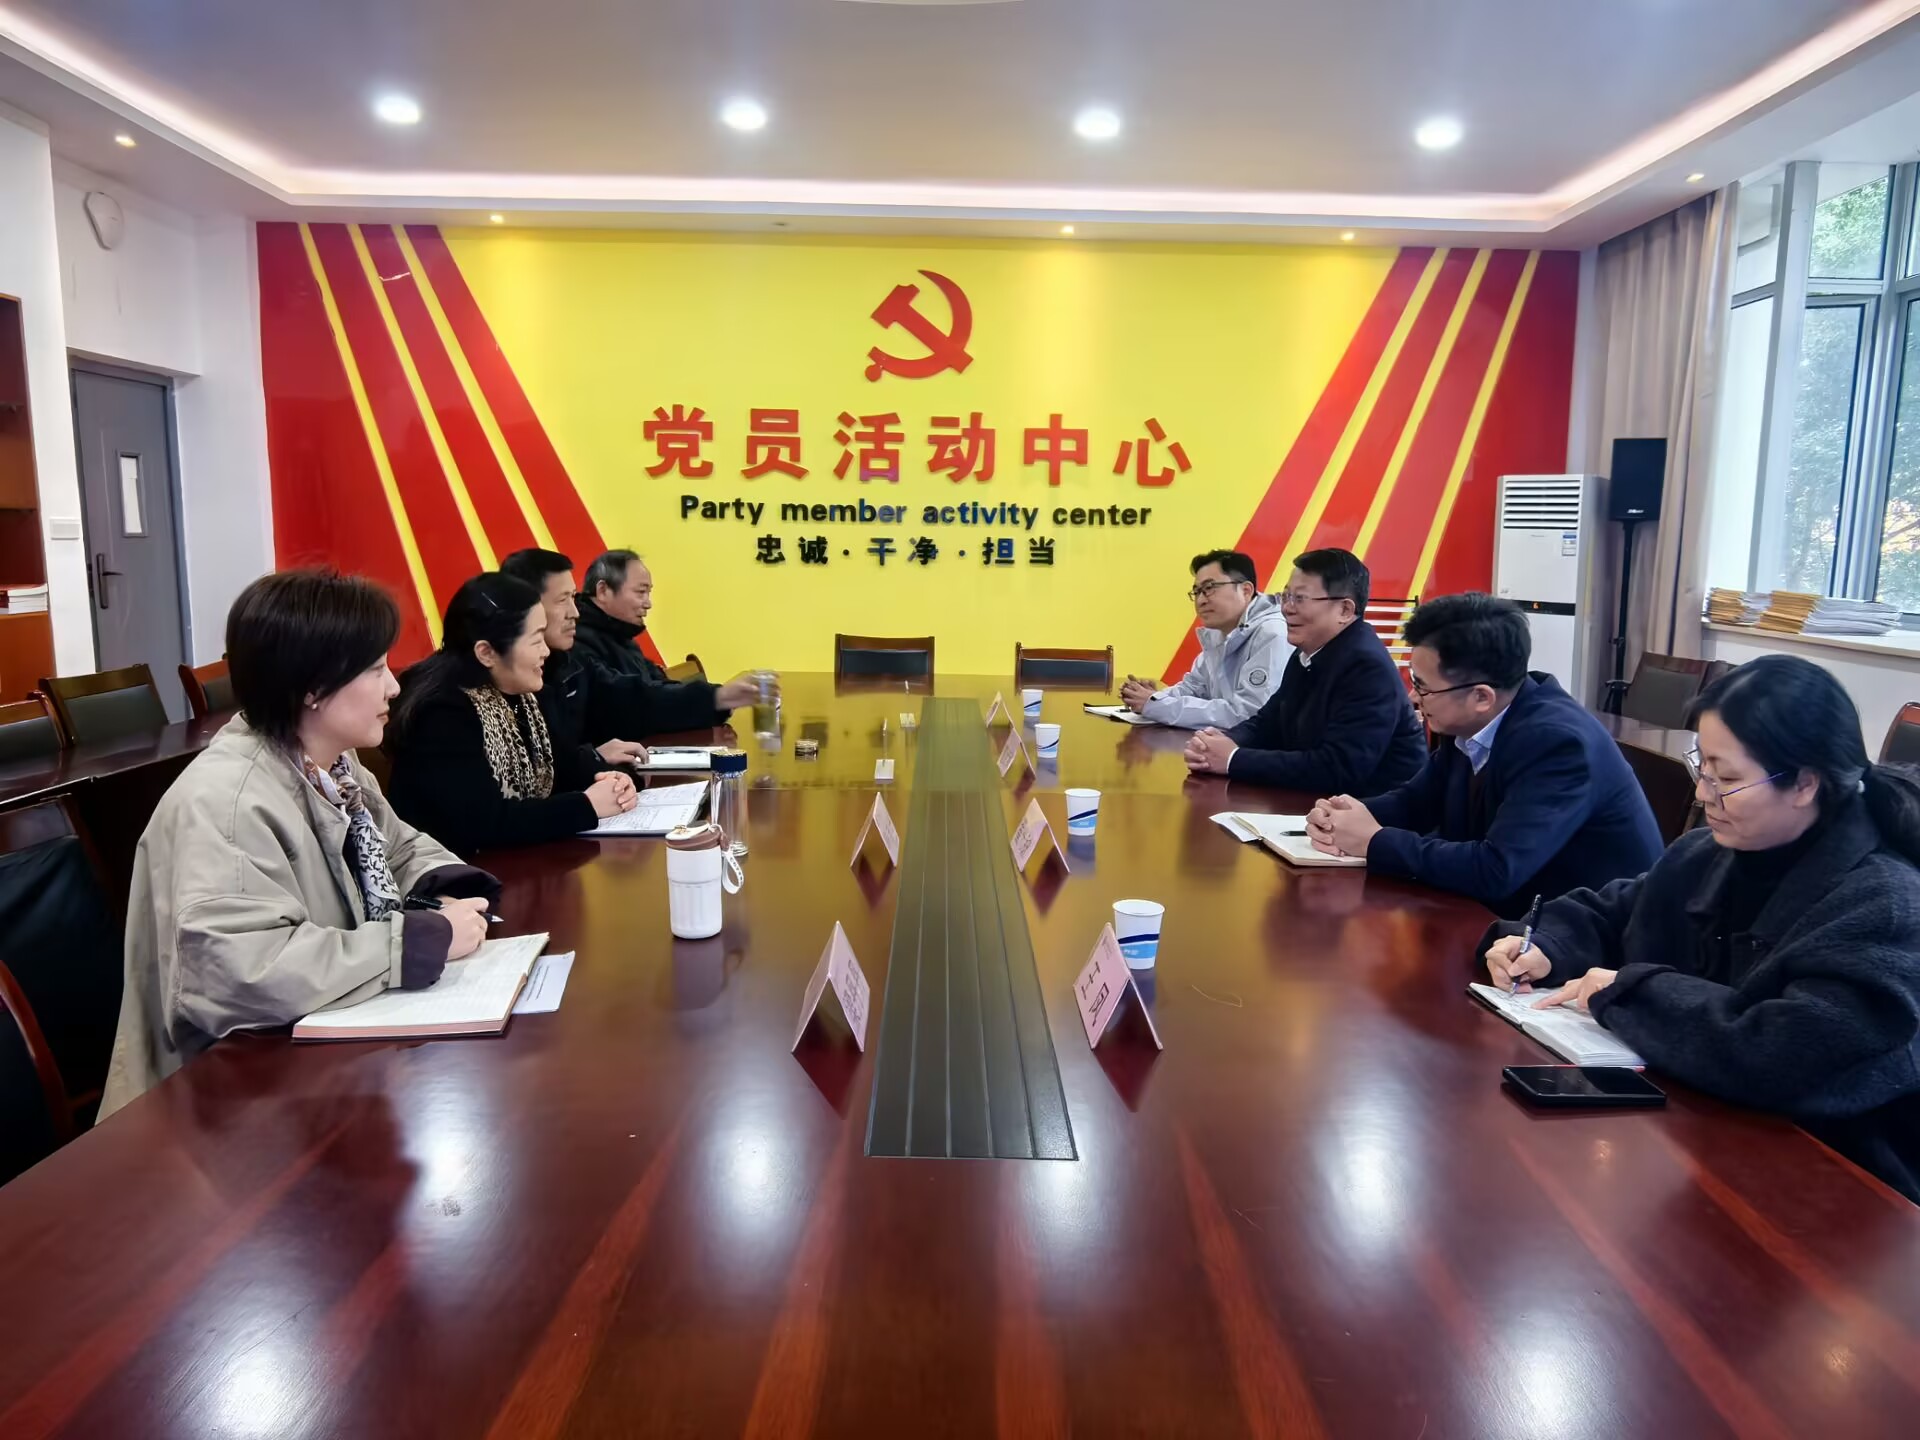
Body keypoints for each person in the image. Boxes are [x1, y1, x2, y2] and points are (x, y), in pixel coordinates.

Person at [1482, 656, 1920, 1203]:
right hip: (1695, 1139)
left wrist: (1629, 991)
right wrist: (1545, 945)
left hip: (1834, 1187)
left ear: (1805, 783)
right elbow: (1615, 911)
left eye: (1727, 779)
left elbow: (1786, 1052)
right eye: (1703, 768)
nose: (1702, 795)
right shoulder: (1712, 851)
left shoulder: (1885, 904)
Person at [99, 570, 501, 1119]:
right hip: (216, 1105)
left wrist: (449, 892)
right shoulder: (228, 802)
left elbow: (399, 848)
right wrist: (415, 941)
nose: (394, 687)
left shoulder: (332, 764)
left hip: (308, 1063)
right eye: (375, 669)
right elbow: (246, 974)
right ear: (311, 687)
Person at [1307, 592, 1660, 917]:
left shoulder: (1557, 745)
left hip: (1579, 936)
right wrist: (1345, 816)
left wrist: (1374, 841)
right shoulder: (1470, 720)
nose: (1413, 697)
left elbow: (1496, 869)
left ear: (1481, 697)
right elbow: (1416, 801)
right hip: (1502, 916)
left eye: (1422, 686)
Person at [386, 573, 640, 854]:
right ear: (486, 652)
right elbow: (483, 823)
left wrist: (615, 782)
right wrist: (586, 805)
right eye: (535, 640)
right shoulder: (441, 714)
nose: (546, 651)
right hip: (457, 872)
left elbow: (564, 766)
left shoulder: (523, 695)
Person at [1183, 548, 1425, 792]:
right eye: (1286, 596)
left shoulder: (1366, 667)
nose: (1287, 608)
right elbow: (1268, 722)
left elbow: (1337, 768)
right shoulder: (1306, 652)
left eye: (1299, 598)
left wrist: (1232, 759)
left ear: (1344, 610)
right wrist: (1220, 742)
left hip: (1375, 809)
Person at [499, 547, 695, 764]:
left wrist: (713, 699)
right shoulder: (499, 690)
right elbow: (540, 770)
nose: (574, 612)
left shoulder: (572, 659)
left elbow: (637, 695)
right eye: (563, 600)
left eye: (573, 597)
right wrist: (594, 759)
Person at [574, 549, 768, 721]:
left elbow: (659, 685)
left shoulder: (622, 638)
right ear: (603, 591)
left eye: (648, 593)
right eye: (640, 592)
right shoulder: (578, 642)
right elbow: (629, 701)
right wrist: (716, 697)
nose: (648, 603)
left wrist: (717, 700)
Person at [1121, 549, 1290, 728]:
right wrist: (1154, 697)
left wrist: (1158, 705)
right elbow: (1194, 688)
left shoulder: (1272, 633)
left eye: (1209, 588)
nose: (1200, 600)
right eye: (1197, 592)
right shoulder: (1220, 633)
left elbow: (1247, 713)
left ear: (1246, 590)